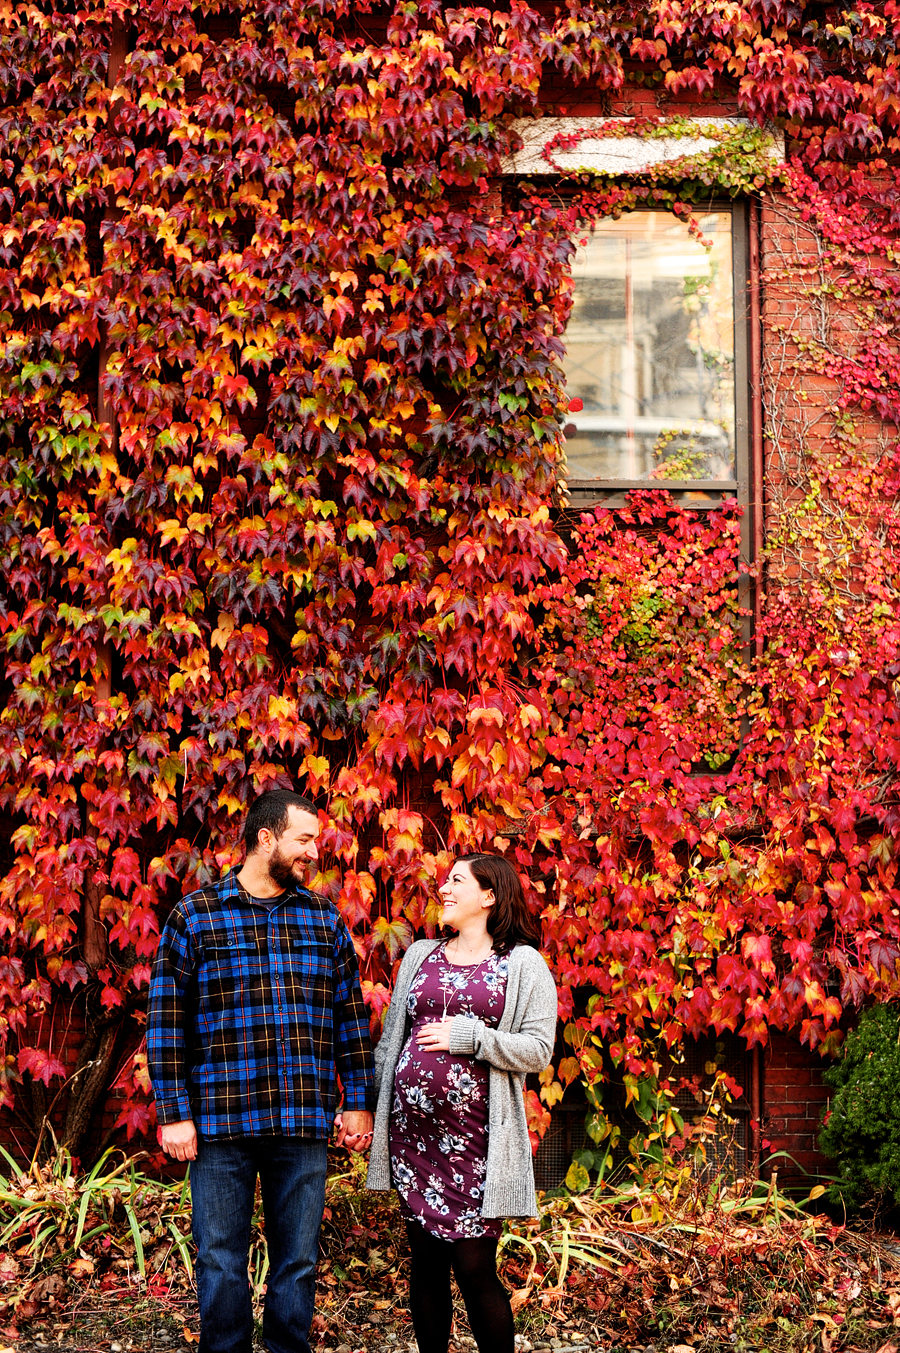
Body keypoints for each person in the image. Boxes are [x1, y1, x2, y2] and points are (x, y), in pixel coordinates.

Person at [147, 789, 374, 1353]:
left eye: (315, 842)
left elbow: (349, 1014)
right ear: (266, 838)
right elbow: (167, 1020)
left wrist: (358, 1100)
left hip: (301, 1122)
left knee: (297, 1260)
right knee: (219, 1258)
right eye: (304, 840)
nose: (313, 853)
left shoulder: (324, 919)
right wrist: (174, 1114)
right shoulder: (195, 916)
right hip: (221, 1123)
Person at [366, 852, 558, 1353]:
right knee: (425, 1262)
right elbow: (391, 1042)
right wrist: (369, 1109)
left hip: (479, 1142)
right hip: (413, 1137)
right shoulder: (420, 956)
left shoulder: (522, 963)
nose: (444, 889)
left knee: (474, 1266)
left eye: (456, 881)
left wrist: (471, 1037)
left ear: (489, 895)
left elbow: (538, 1050)